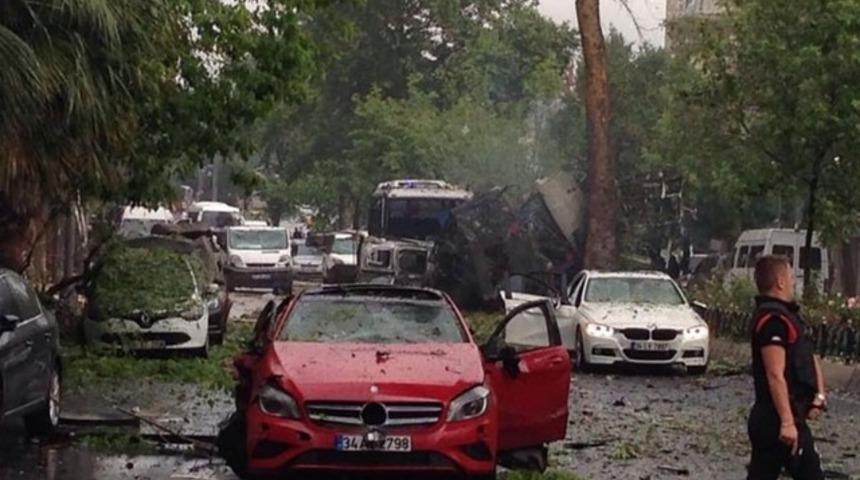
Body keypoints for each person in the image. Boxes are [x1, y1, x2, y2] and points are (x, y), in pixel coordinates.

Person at [747, 255, 827, 480]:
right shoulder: (773, 321)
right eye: (791, 277)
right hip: (776, 421)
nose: (793, 282)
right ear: (780, 282)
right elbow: (775, 373)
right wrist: (787, 422)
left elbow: (807, 356)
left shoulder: (789, 317)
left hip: (786, 417)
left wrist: (817, 396)